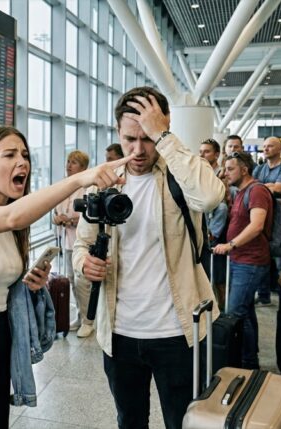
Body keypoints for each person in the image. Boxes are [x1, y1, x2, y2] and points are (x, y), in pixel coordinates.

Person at [0, 126, 132, 429]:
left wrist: (29, 285)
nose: (22, 162)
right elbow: (14, 216)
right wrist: (80, 179)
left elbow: (2, 268)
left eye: (24, 155)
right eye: (9, 155)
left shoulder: (11, 221)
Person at [73, 86, 225, 429]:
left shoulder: (180, 174)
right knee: (129, 420)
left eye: (148, 138)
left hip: (177, 331)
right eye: (130, 139)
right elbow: (81, 244)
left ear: (164, 127)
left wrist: (166, 138)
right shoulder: (103, 184)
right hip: (120, 333)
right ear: (117, 133)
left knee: (181, 421)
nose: (139, 149)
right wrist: (84, 262)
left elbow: (211, 195)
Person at [213, 151, 273, 370]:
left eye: (230, 169)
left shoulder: (256, 191)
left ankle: (244, 363)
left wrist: (231, 244)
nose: (226, 173)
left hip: (251, 261)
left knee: (234, 311)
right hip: (241, 259)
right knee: (246, 313)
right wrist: (222, 176)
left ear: (244, 169)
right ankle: (249, 361)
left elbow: (257, 225)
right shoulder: (241, 191)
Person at [53, 150, 94, 338]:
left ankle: (88, 321)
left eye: (74, 162)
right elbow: (54, 211)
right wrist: (58, 219)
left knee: (81, 282)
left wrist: (69, 221)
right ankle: (79, 316)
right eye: (68, 161)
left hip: (81, 244)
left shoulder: (88, 188)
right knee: (70, 280)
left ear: (84, 167)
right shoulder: (64, 186)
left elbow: (89, 218)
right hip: (66, 242)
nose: (69, 165)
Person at [252, 137, 281, 304]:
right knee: (262, 257)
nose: (266, 149)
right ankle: (264, 296)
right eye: (264, 146)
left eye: (270, 146)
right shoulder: (260, 168)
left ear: (280, 149)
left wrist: (263, 187)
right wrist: (267, 186)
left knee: (280, 261)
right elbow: (252, 187)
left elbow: (278, 189)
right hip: (263, 217)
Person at [199, 139, 229, 309]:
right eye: (201, 151)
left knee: (219, 280)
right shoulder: (203, 174)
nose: (202, 155)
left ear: (216, 154)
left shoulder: (222, 176)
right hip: (205, 232)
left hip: (218, 237)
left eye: (206, 151)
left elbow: (224, 205)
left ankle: (222, 312)